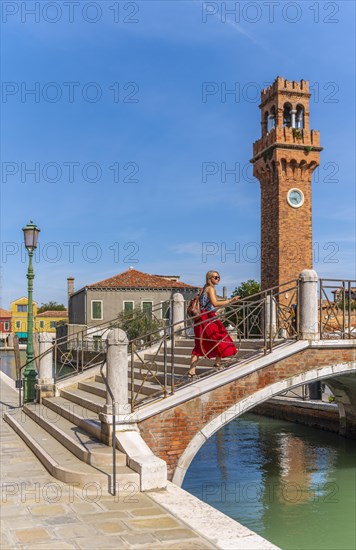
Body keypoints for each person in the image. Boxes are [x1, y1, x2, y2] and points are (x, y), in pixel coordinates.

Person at [186, 271, 240, 379]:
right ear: (210, 278)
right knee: (221, 337)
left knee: (200, 344)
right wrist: (231, 300)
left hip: (200, 319)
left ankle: (192, 372)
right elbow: (215, 303)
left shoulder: (203, 289)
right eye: (216, 277)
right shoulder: (210, 288)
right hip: (208, 318)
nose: (218, 279)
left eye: (219, 277)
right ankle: (217, 363)